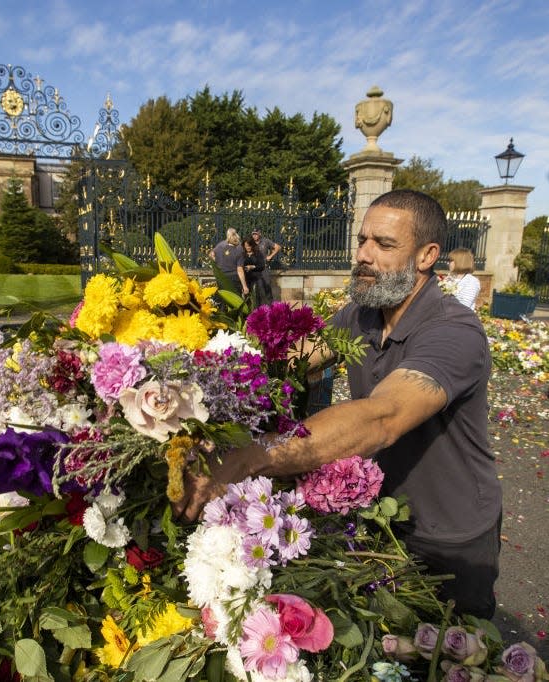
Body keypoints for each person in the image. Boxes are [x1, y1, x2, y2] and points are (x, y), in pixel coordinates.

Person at [178, 190, 502, 619]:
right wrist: (193, 382)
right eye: (362, 240)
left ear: (426, 256)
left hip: (448, 535)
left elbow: (381, 418)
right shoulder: (362, 314)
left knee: (448, 654)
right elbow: (292, 358)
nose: (364, 255)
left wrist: (247, 459)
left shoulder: (454, 330)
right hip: (379, 520)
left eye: (384, 245)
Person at [210, 228, 249, 296]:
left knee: (223, 300)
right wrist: (244, 286)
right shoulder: (239, 249)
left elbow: (211, 254)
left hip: (221, 277)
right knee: (235, 301)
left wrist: (217, 261)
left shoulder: (220, 245)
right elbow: (240, 270)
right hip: (234, 279)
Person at [250, 229, 280, 301]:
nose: (254, 236)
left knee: (267, 287)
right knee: (256, 289)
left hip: (264, 268)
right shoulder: (250, 242)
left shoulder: (265, 241)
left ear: (259, 234)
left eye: (256, 234)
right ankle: (257, 308)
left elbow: (278, 247)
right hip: (254, 269)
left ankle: (271, 307)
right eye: (253, 234)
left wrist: (270, 256)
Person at [243, 236, 269, 307]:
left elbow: (262, 266)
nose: (247, 247)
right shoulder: (242, 254)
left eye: (249, 246)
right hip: (245, 279)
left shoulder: (257, 253)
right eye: (246, 246)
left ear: (252, 245)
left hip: (256, 279)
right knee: (246, 299)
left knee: (257, 299)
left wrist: (252, 267)